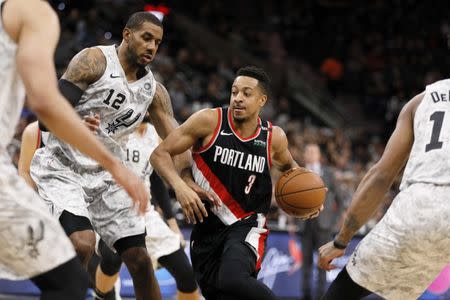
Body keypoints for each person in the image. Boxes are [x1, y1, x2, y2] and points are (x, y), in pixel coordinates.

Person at [0, 0, 149, 299]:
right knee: (68, 283)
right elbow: (45, 105)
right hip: (40, 178)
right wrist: (115, 164)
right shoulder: (32, 12)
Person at [30, 11, 182, 300]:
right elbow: (47, 120)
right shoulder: (94, 61)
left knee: (139, 257)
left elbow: (179, 141)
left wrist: (188, 181)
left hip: (106, 175)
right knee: (82, 243)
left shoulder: (154, 92)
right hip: (63, 167)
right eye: (146, 37)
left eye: (158, 43)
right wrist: (75, 123)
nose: (152, 47)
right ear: (127, 34)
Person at [151, 66, 322, 300]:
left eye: (246, 93)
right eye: (234, 92)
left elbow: (291, 170)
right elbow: (159, 154)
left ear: (262, 100)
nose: (238, 98)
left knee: (232, 277)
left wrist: (313, 200)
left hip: (247, 223)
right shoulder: (209, 121)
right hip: (207, 225)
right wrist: (181, 186)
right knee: (220, 292)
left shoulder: (273, 137)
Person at [19, 119, 200, 300]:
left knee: (179, 271)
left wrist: (173, 218)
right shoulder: (38, 131)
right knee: (99, 257)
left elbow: (158, 180)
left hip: (138, 209)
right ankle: (99, 294)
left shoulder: (142, 129)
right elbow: (26, 173)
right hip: (84, 207)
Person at [318, 83, 450, 299]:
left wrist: (341, 241)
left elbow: (381, 176)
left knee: (341, 294)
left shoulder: (420, 101)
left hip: (420, 208)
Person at [294, 143, 343, 300]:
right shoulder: (299, 173)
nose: (310, 153)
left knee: (323, 264)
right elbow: (291, 199)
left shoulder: (328, 173)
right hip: (305, 225)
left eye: (313, 151)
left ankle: (321, 297)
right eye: (307, 151)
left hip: (324, 226)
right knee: (306, 266)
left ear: (319, 155)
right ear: (304, 155)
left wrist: (333, 220)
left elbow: (341, 200)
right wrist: (295, 219)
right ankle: (305, 297)